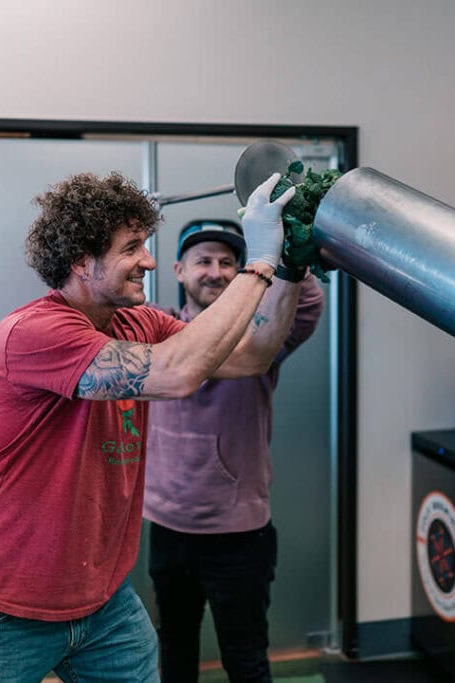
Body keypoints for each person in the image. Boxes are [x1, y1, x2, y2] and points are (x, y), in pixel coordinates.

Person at [0, 170, 301, 683]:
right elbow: (176, 373)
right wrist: (257, 263)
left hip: (103, 601)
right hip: (4, 604)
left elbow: (249, 356)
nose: (149, 262)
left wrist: (287, 268)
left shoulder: (141, 321)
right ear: (83, 261)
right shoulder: (33, 332)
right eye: (132, 248)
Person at [142, 219, 324, 682]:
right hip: (168, 527)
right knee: (175, 651)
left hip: (239, 534)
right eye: (204, 261)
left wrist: (286, 256)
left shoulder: (260, 339)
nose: (216, 272)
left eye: (228, 263)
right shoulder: (156, 335)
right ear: (179, 270)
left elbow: (307, 306)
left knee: (245, 659)